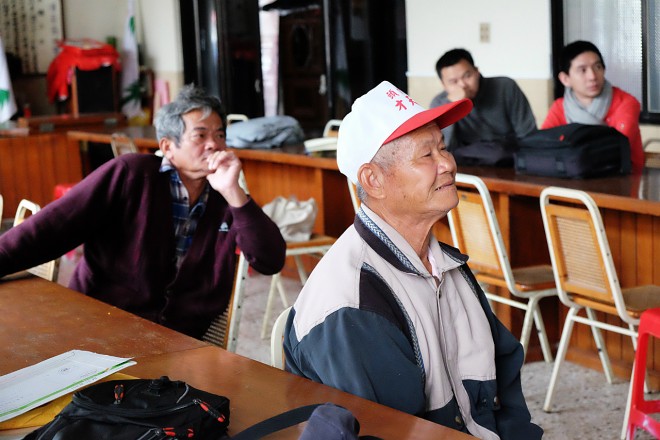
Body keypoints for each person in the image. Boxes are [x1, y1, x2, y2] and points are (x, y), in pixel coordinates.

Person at [283, 81, 542, 439]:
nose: (448, 164)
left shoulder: (447, 265)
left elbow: (503, 379)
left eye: (444, 148)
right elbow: (391, 431)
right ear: (373, 180)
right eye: (427, 155)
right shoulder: (353, 304)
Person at [0, 84, 286, 339]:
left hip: (177, 344)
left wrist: (235, 193)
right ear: (168, 147)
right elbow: (52, 227)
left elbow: (270, 260)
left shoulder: (225, 197)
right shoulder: (131, 174)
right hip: (98, 326)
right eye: (200, 135)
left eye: (220, 135)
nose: (214, 144)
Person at [542, 40, 644, 173]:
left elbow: (616, 149)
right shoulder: (559, 107)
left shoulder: (626, 102)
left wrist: (568, 150)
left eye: (597, 67)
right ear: (565, 79)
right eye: (582, 70)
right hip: (571, 180)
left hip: (621, 180)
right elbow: (544, 147)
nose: (592, 76)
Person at [430, 48, 537, 155]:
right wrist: (451, 107)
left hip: (510, 158)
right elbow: (442, 148)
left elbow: (527, 134)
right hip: (466, 163)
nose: (462, 85)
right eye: (453, 82)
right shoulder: (439, 103)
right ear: (443, 84)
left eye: (467, 76)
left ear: (476, 71)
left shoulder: (505, 87)